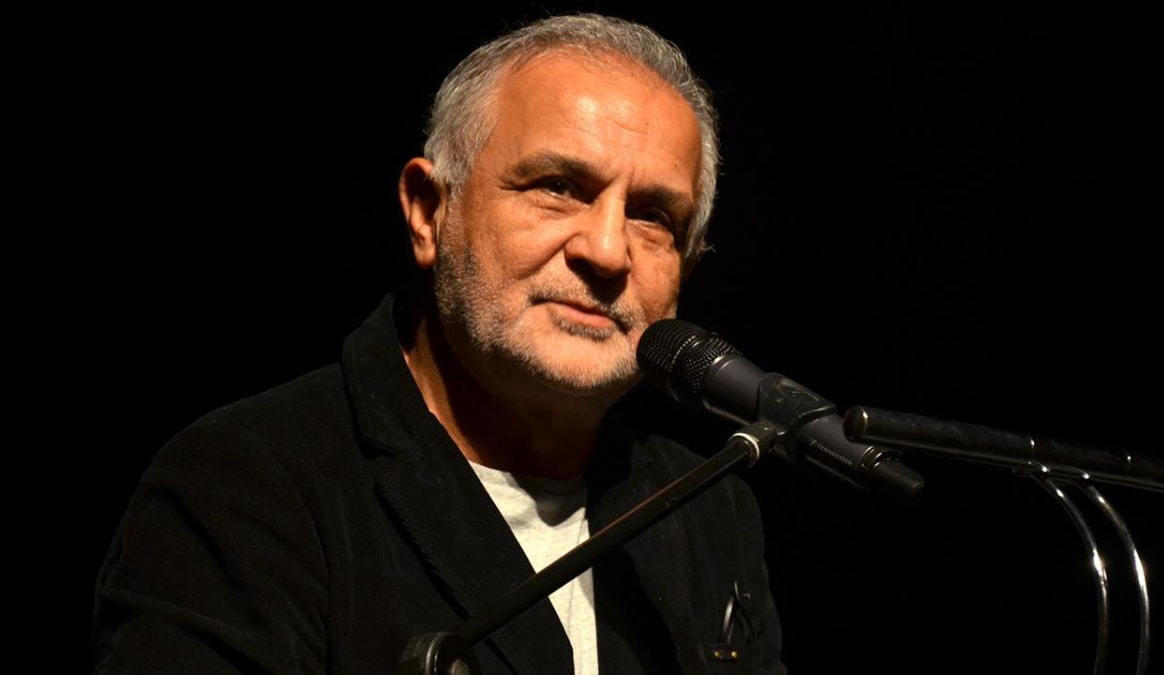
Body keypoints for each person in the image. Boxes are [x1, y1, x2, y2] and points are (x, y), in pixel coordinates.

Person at [92, 13, 786, 674]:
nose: (606, 251)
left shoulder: (710, 506)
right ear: (429, 213)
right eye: (558, 187)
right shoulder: (248, 484)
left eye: (653, 215)